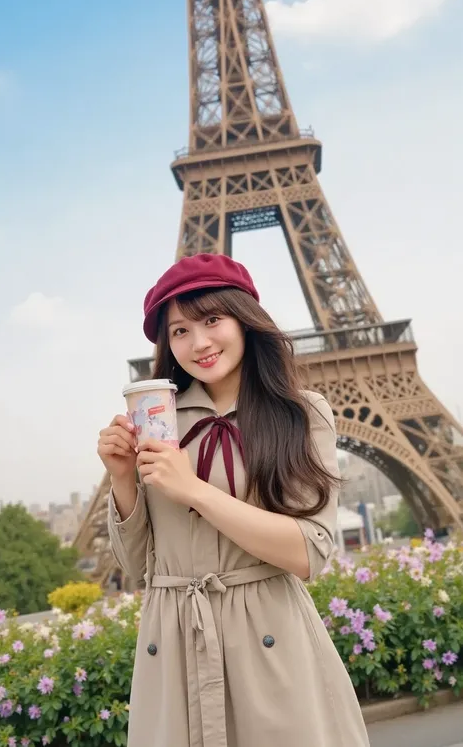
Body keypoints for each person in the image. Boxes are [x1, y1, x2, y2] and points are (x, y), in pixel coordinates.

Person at [98, 253, 370, 747]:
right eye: (178, 331)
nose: (198, 342)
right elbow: (137, 566)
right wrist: (122, 480)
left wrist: (193, 490)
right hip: (175, 644)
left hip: (269, 640)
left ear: (245, 320)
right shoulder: (157, 422)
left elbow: (308, 551)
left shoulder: (300, 414)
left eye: (211, 319)